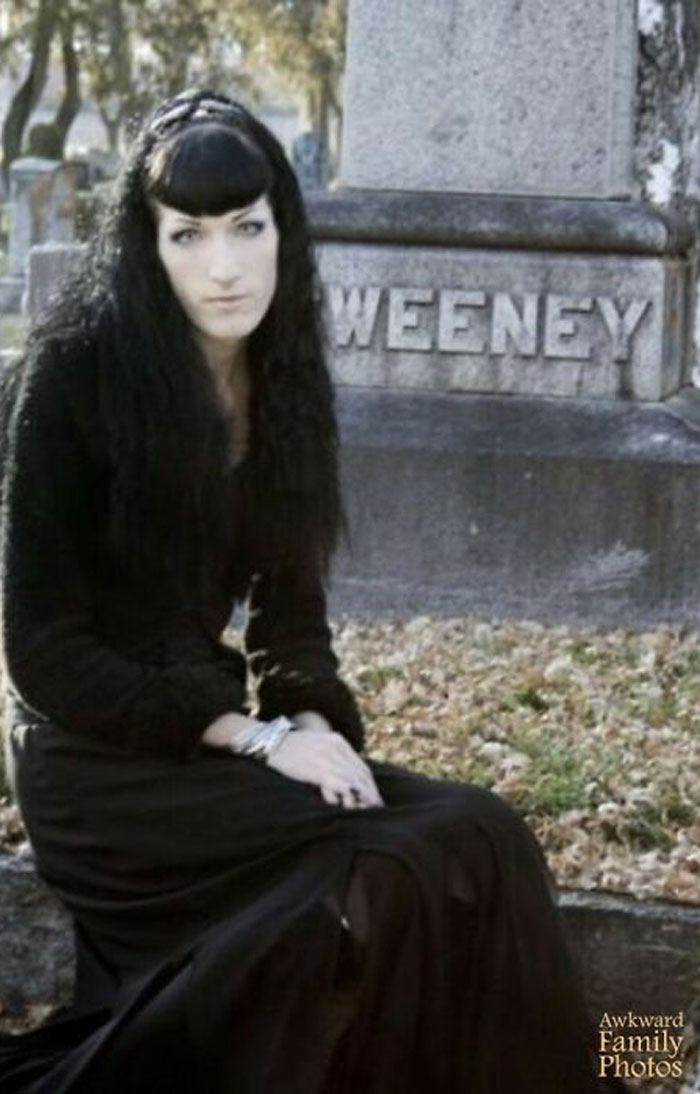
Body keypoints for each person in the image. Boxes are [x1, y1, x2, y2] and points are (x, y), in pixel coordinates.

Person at [0, 89, 624, 1093]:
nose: (224, 263)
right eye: (188, 233)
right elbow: (39, 650)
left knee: (483, 832)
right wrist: (251, 736)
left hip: (212, 748)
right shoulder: (73, 377)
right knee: (379, 875)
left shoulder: (286, 382)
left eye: (248, 226)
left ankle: (589, 1073)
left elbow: (291, 618)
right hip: (96, 771)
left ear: (282, 231)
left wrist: (305, 714)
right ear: (145, 245)